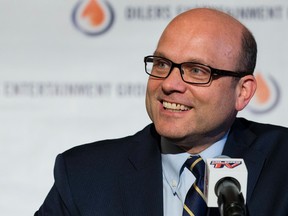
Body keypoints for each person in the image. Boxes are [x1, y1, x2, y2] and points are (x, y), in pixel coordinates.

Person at [35, 7, 288, 216]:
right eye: (162, 64)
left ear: (242, 92)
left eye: (197, 70)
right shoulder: (84, 176)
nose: (169, 84)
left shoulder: (282, 162)